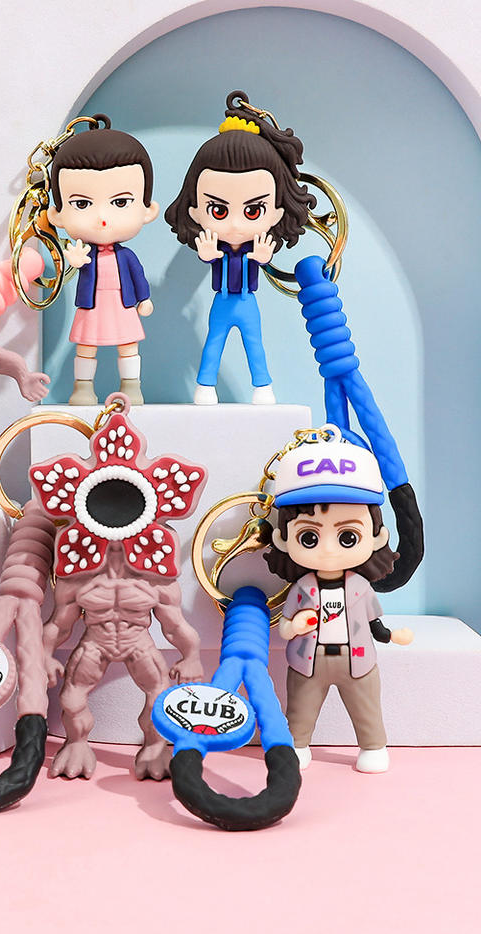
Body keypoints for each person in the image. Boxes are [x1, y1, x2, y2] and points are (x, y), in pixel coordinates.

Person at [264, 429, 413, 773]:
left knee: (366, 708)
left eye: (347, 537)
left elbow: (375, 624)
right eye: (309, 537)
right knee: (300, 710)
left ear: (377, 537)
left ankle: (373, 747)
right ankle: (297, 745)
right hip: (308, 662)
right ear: (283, 539)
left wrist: (392, 635)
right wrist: (294, 625)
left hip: (357, 661)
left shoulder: (360, 587)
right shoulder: (302, 587)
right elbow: (284, 627)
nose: (328, 549)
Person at [165, 91, 316, 405]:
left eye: (253, 210)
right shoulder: (217, 252)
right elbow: (215, 260)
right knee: (213, 343)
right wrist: (208, 255)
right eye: (218, 210)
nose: (235, 225)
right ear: (195, 210)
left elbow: (254, 262)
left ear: (276, 212)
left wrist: (262, 258)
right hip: (222, 302)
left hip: (247, 302)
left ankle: (263, 387)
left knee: (254, 345)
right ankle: (205, 386)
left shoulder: (255, 251)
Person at [46, 116, 159, 405]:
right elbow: (74, 267)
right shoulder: (84, 254)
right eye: (82, 204)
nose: (102, 217)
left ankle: (131, 386)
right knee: (86, 347)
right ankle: (83, 388)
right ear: (57, 214)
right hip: (92, 305)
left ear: (148, 209)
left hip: (123, 304)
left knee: (128, 346)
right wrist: (74, 261)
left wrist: (144, 298)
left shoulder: (126, 256)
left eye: (120, 202)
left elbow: (138, 276)